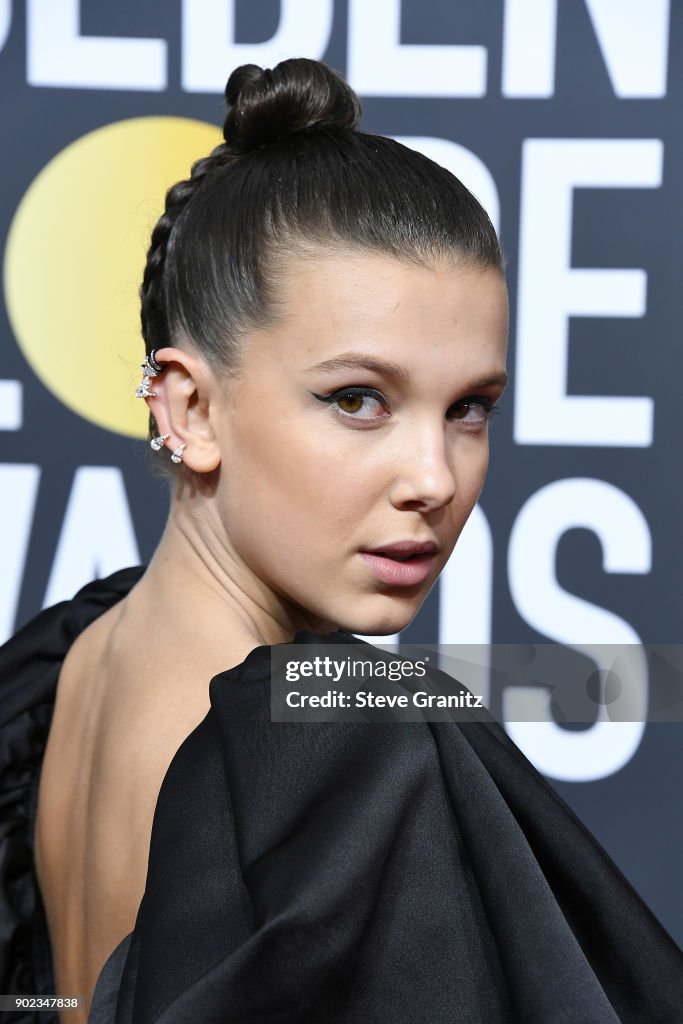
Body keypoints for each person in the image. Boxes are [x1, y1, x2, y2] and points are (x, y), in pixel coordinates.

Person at [0, 57, 681, 1024]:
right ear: (189, 409)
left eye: (470, 408)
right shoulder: (340, 739)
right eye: (357, 399)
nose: (435, 479)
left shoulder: (78, 656)